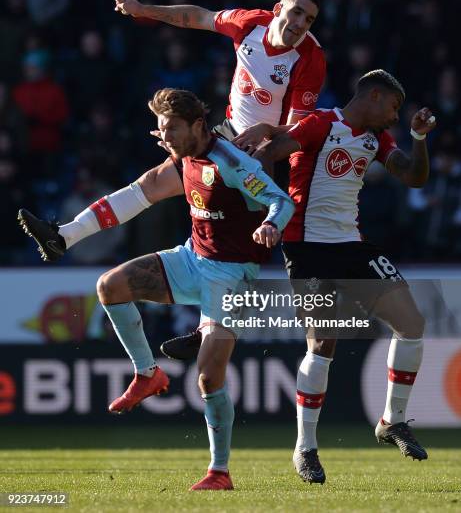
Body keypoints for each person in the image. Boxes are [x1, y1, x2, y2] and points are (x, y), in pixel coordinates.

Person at [163, 70, 436, 483]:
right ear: (375, 96)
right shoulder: (321, 123)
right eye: (394, 108)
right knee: (323, 342)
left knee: (412, 324)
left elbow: (413, 176)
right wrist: (260, 203)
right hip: (307, 250)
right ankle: (305, 449)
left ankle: (392, 421)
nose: (395, 117)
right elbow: (273, 151)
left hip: (352, 246)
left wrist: (418, 139)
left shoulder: (377, 139)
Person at [20, 88, 295, 491]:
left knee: (208, 378)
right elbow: (137, 194)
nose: (163, 136)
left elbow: (280, 200)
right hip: (190, 260)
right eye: (160, 128)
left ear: (198, 126)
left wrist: (271, 222)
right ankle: (148, 374)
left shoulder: (232, 162)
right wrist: (66, 235)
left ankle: (219, 471)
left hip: (232, 275)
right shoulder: (183, 158)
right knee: (110, 286)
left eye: (171, 128)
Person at [16, 0, 324, 262]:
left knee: (230, 243)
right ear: (277, 10)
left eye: (308, 20)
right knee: (152, 184)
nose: (300, 24)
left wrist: (265, 134)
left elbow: (296, 133)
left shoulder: (310, 59)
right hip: (228, 136)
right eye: (296, 12)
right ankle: (63, 237)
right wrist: (143, 11)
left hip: (263, 156)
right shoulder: (250, 23)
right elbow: (197, 16)